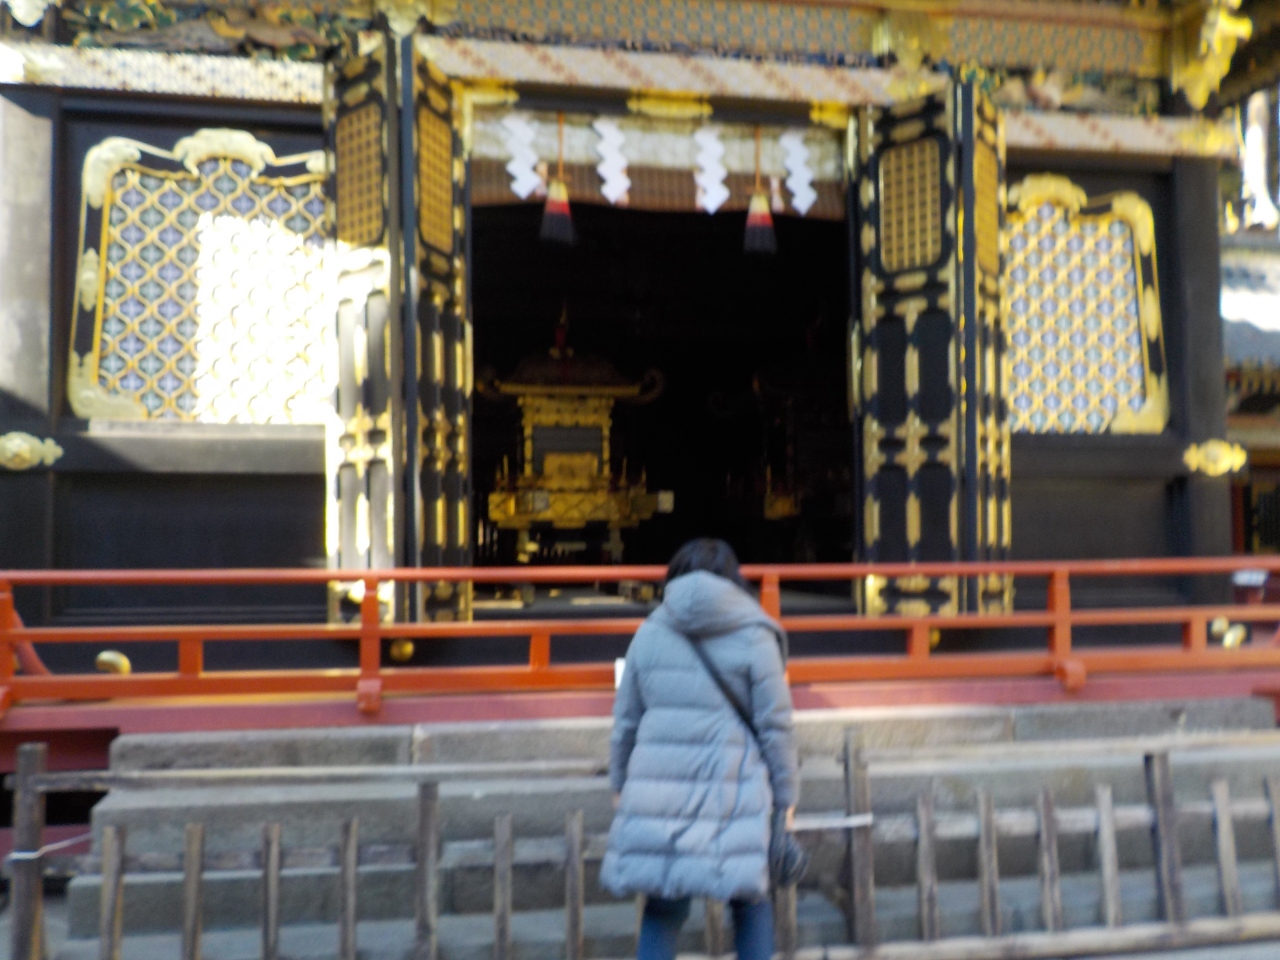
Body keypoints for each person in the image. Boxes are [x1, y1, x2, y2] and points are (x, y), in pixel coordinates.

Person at [600, 538, 798, 960]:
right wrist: (787, 798)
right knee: (751, 902)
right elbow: (776, 728)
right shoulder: (755, 635)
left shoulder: (650, 632)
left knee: (663, 907)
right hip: (735, 792)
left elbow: (626, 721)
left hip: (660, 794)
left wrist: (619, 783)